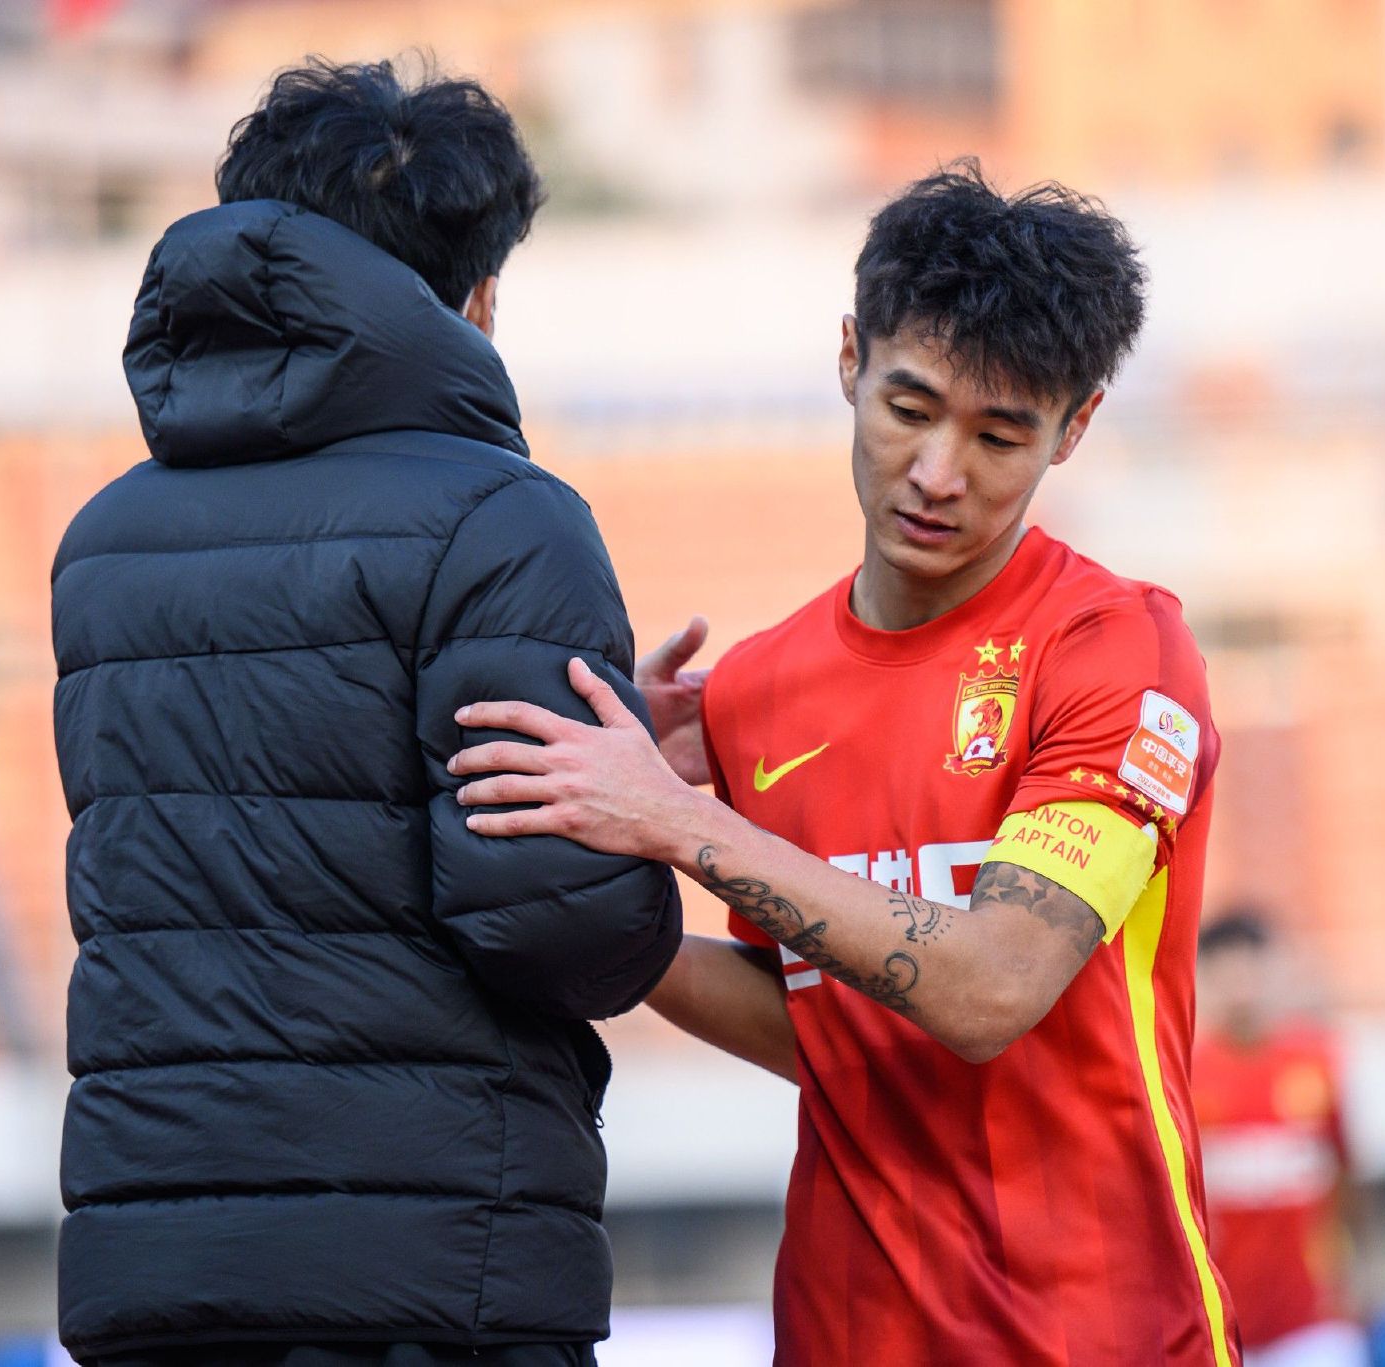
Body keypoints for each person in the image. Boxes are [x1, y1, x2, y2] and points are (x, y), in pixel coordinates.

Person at [447, 163, 1239, 1365]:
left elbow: (986, 992)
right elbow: (815, 1024)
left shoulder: (1117, 650)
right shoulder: (756, 690)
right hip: (842, 1330)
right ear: (846, 361)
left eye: (998, 434)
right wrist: (586, 875)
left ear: (1072, 431)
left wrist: (674, 823)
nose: (936, 473)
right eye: (908, 407)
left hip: (1101, 1333)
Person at [50, 60, 682, 1367]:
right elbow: (562, 928)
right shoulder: (504, 516)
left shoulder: (102, 541)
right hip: (432, 1272)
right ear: (478, 292)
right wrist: (650, 819)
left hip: (155, 1263)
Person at [1192, 910, 1367, 1367]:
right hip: (1219, 1321)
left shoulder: (1319, 1059)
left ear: (1275, 970)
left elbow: (1347, 1170)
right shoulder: (1186, 1073)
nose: (1242, 987)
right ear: (1205, 978)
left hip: (1312, 1321)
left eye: (1252, 966)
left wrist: (1360, 1270)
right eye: (1226, 971)